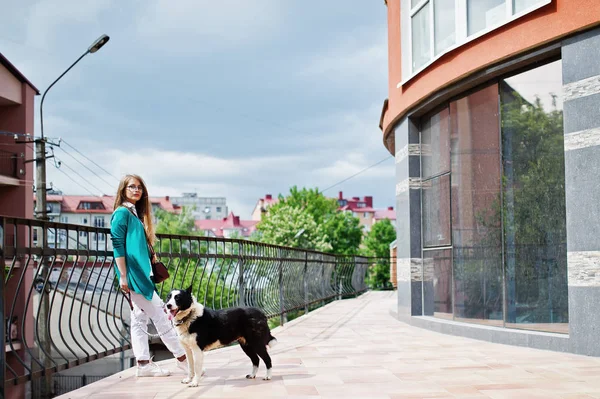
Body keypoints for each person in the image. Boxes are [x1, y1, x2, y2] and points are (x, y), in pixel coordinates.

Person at [111, 174, 187, 377]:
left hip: (142, 274)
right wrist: (123, 276)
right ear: (123, 190)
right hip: (134, 276)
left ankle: (143, 364)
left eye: (139, 187)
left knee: (139, 319)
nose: (136, 190)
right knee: (162, 316)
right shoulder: (121, 213)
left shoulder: (133, 213)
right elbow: (117, 246)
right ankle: (183, 360)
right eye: (131, 187)